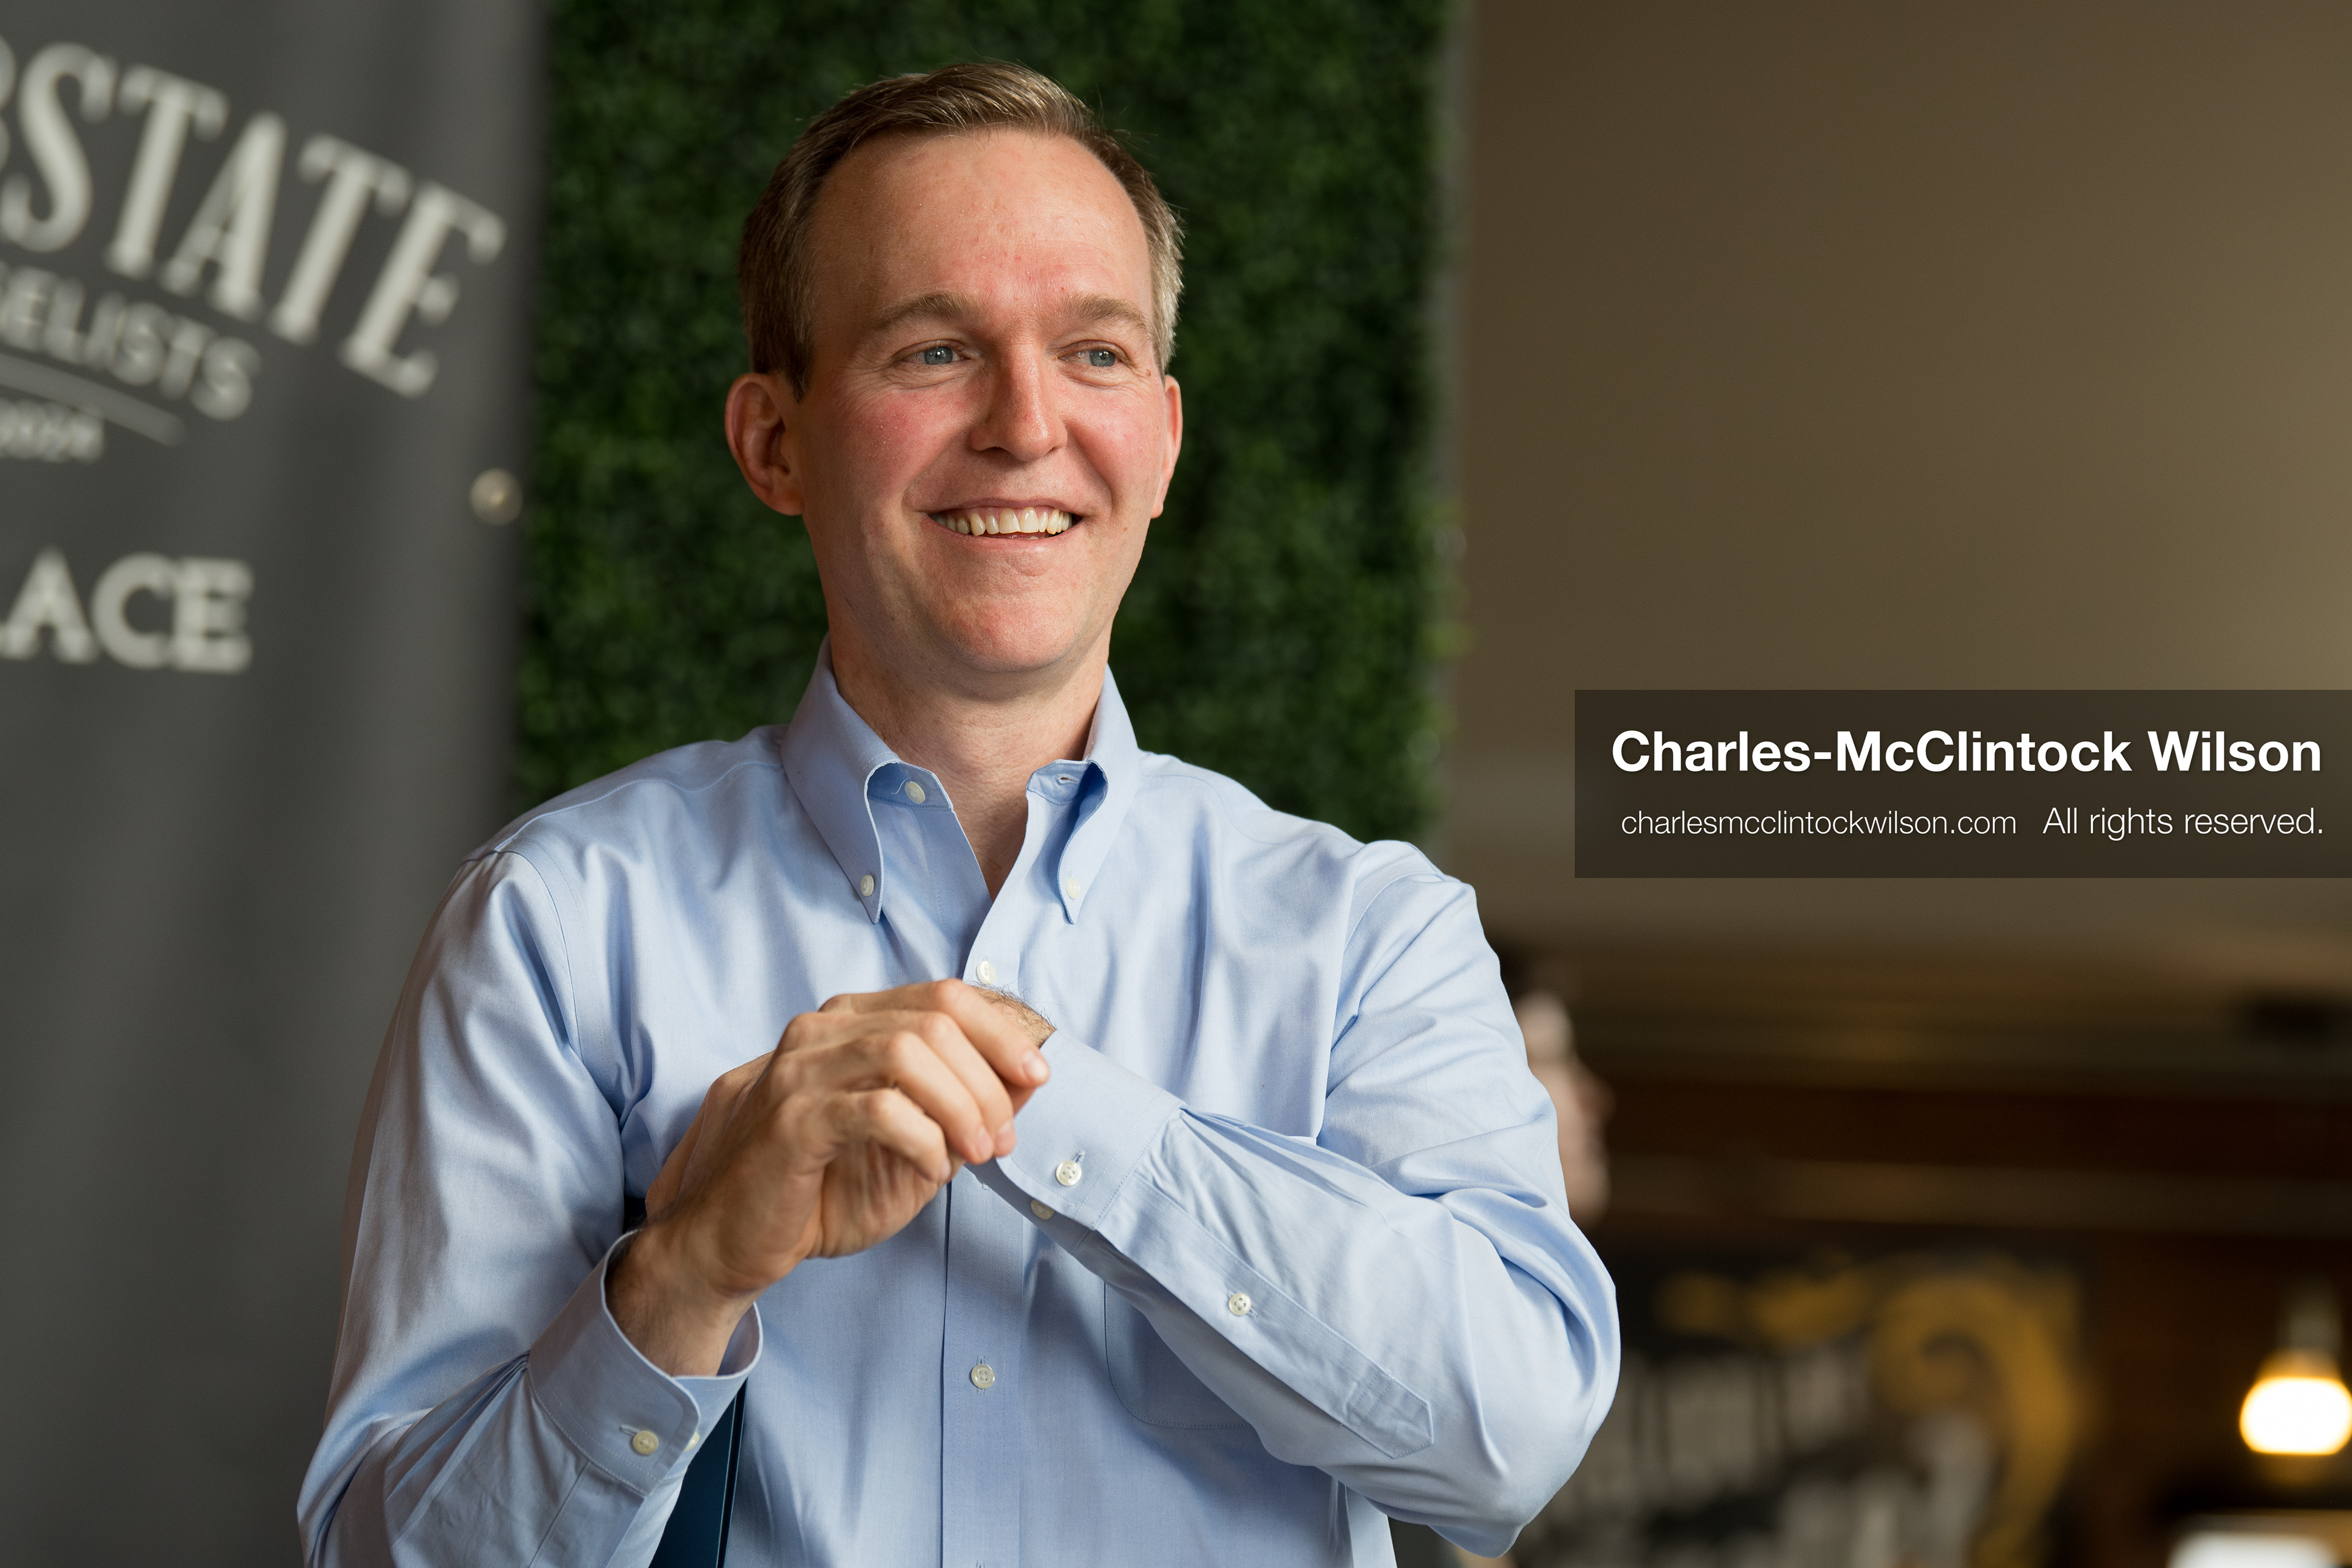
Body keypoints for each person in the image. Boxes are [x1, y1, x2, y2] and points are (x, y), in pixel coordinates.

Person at [298, 62, 1618, 1567]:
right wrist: (677, 1278)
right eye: (933, 350)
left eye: (1096, 352)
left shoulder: (1370, 934)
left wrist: (1055, 1119)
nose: (1026, 423)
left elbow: (1511, 1436)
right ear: (774, 443)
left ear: (1165, 438)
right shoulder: (554, 919)